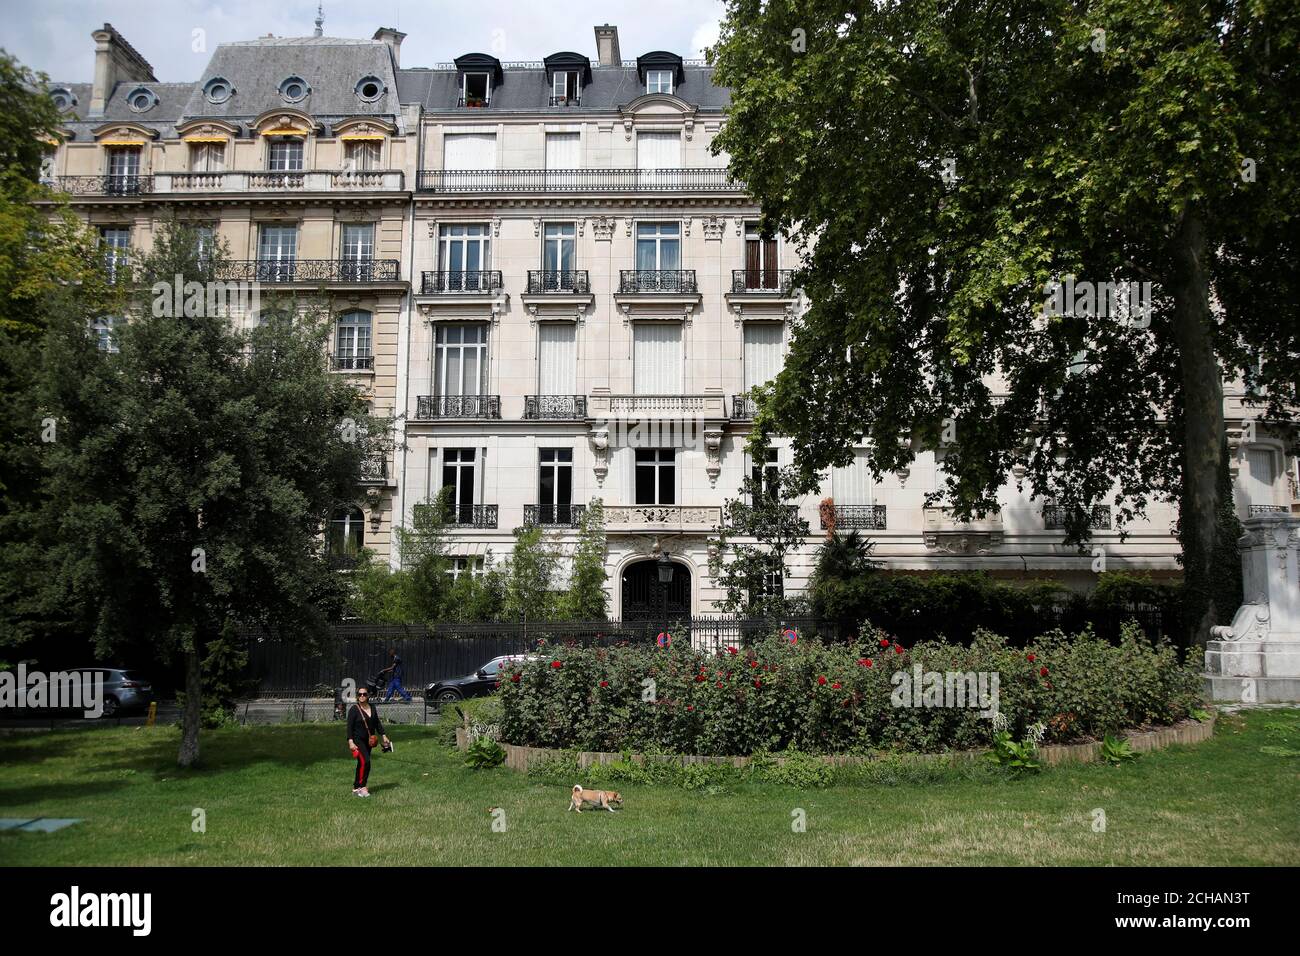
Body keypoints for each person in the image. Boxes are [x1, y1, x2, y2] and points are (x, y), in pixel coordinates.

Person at [346, 687, 390, 797]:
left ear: (368, 696)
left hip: (369, 741)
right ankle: (362, 787)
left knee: (362, 763)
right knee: (366, 761)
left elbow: (377, 723)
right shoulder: (354, 709)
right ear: (357, 696)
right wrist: (351, 742)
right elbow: (349, 728)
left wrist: (383, 735)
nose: (362, 696)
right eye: (360, 694)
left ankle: (356, 787)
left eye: (364, 694)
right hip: (358, 740)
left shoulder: (372, 707)